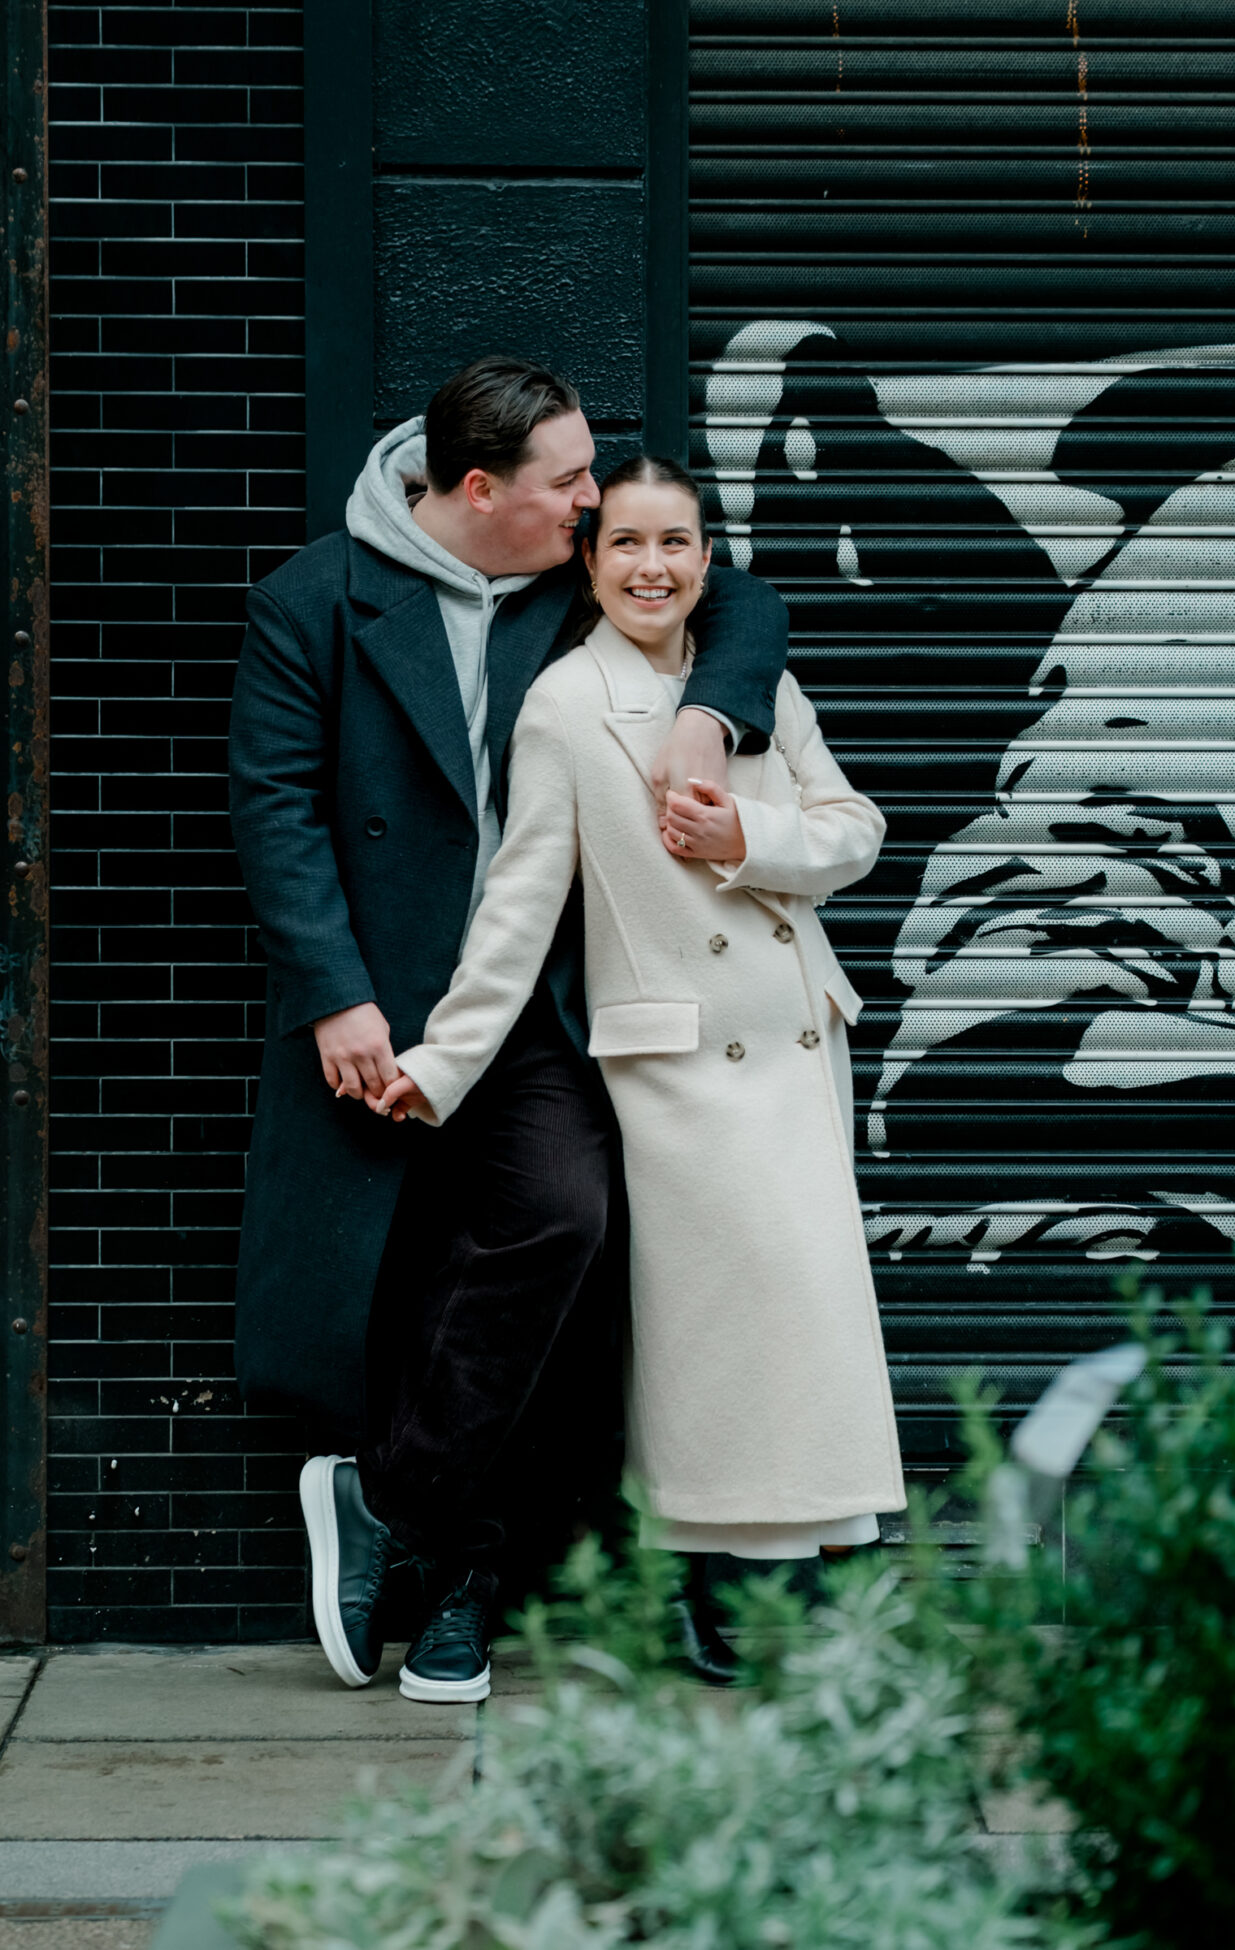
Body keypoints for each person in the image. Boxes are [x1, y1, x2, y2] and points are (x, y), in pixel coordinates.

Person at [228, 361, 790, 1704]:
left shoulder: (574, 575)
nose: (595, 502)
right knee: (412, 1281)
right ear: (479, 490)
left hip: (537, 999)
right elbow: (275, 806)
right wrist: (335, 992)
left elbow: (743, 599)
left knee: (559, 1223)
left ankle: (388, 1500)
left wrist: (709, 713)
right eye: (570, 481)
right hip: (381, 1002)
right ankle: (460, 1586)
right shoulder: (315, 600)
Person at [375, 456, 906, 1682]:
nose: (651, 567)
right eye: (624, 543)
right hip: (682, 1067)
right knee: (712, 1344)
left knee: (804, 1327)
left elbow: (854, 830)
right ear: (588, 558)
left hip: (796, 1041)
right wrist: (445, 1061)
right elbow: (520, 901)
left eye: (674, 543)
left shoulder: (752, 682)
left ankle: (781, 1583)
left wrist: (744, 835)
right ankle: (712, 1591)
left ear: (707, 560)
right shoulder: (565, 705)